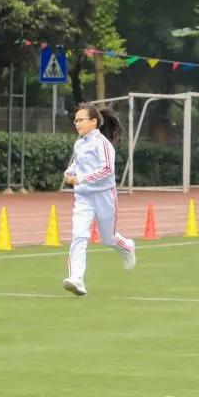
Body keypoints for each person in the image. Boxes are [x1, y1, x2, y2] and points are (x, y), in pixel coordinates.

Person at [61, 103, 136, 296]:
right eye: (75, 120)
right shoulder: (79, 144)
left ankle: (127, 247)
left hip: (104, 195)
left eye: (81, 120)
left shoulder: (103, 143)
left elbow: (107, 170)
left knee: (108, 238)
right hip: (83, 197)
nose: (77, 124)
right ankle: (76, 278)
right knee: (79, 235)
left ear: (94, 122)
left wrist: (82, 178)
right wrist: (69, 174)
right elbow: (76, 164)